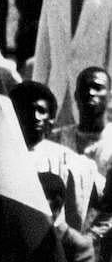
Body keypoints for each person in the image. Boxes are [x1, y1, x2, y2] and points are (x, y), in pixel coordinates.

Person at [9, 80, 102, 233]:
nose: (34, 116)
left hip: (53, 247)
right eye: (25, 109)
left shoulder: (70, 161)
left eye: (41, 110)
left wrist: (94, 236)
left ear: (51, 121)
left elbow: (106, 197)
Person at [33, 0, 112, 126]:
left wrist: (109, 105)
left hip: (92, 104)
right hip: (56, 99)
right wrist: (35, 97)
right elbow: (42, 52)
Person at [52, 66, 112, 177]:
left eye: (98, 88)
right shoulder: (56, 139)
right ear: (76, 95)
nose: (91, 93)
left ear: (110, 96)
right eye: (85, 88)